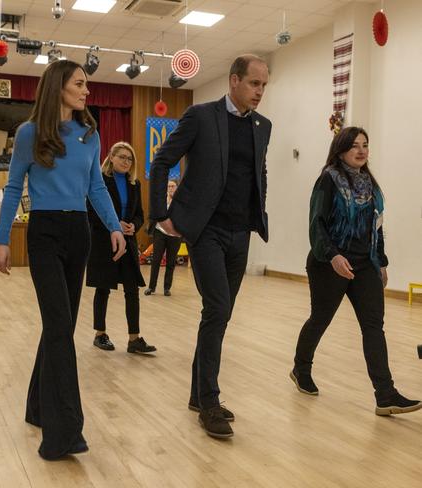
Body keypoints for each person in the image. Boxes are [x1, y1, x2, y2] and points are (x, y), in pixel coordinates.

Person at [0, 60, 126, 460]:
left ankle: (37, 407)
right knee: (57, 327)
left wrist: (114, 225)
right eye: (80, 84)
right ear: (58, 87)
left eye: (87, 84)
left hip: (79, 233)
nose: (87, 91)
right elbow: (14, 186)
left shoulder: (90, 135)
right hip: (44, 233)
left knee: (61, 325)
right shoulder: (29, 133)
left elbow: (95, 186)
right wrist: (1, 241)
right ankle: (63, 431)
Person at [148, 54, 271, 438]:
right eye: (254, 84)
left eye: (264, 86)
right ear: (234, 80)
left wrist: (257, 210)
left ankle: (196, 394)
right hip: (205, 231)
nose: (260, 92)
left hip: (240, 232)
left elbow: (257, 171)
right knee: (216, 308)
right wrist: (160, 214)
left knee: (221, 314)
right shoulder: (201, 116)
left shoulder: (262, 126)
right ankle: (210, 401)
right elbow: (162, 162)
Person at [291, 126, 421, 416]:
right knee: (321, 318)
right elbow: (317, 224)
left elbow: (377, 225)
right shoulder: (328, 180)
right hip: (330, 264)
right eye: (355, 146)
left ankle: (385, 395)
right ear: (341, 150)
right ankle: (301, 369)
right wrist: (334, 256)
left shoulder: (370, 185)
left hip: (365, 264)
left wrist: (382, 261)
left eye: (365, 145)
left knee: (373, 326)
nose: (362, 150)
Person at [87, 142, 156, 354]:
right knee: (103, 287)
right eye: (122, 157)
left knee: (132, 289)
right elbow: (92, 211)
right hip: (104, 241)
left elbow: (140, 214)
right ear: (111, 157)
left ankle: (134, 339)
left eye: (130, 159)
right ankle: (100, 334)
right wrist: (115, 224)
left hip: (128, 242)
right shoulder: (100, 180)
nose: (126, 162)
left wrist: (134, 225)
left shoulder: (134, 183)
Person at [144, 179, 182, 297]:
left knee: (171, 262)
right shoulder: (161, 200)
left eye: (173, 186)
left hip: (175, 235)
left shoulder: (181, 202)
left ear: (176, 188)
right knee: (156, 260)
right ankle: (151, 287)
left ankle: (167, 288)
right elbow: (153, 212)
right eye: (169, 186)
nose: (170, 188)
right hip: (160, 232)